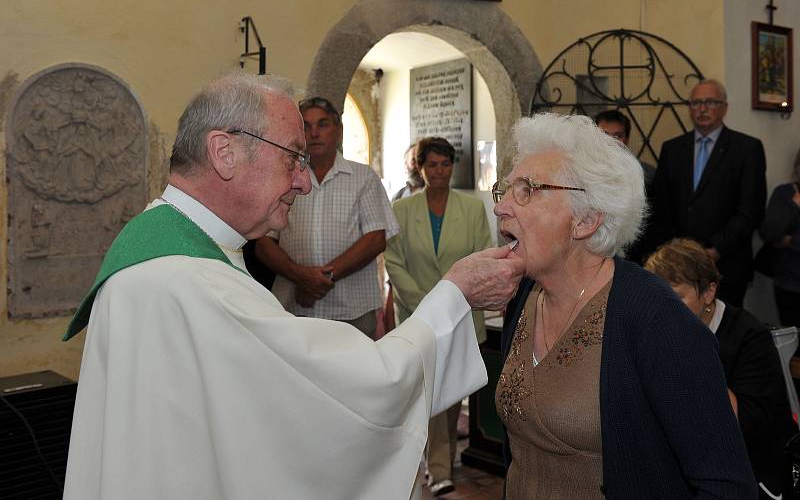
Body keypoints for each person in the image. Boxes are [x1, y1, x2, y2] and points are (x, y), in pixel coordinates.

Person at [61, 72, 525, 500]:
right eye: (292, 158)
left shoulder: (163, 241)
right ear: (224, 152)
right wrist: (454, 294)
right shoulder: (188, 279)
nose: (304, 182)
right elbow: (355, 389)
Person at [493, 112, 756, 499]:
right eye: (506, 190)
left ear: (585, 221)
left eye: (528, 190)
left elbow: (727, 487)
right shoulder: (523, 298)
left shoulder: (658, 321)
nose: (502, 208)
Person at [644, 238, 795, 500]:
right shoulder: (653, 333)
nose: (662, 307)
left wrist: (693, 350)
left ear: (708, 292)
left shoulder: (749, 336)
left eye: (675, 297)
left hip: (750, 469)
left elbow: (746, 424)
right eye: (656, 296)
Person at [385, 137, 492, 497]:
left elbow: (482, 258)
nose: (440, 171)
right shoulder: (401, 210)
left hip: (461, 316)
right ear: (421, 168)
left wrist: (449, 304)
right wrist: (428, 304)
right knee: (421, 393)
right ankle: (420, 464)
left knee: (450, 394)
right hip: (417, 316)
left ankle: (441, 468)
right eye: (432, 164)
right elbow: (394, 262)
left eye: (445, 164)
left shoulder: (473, 209)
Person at [256, 96, 398, 339]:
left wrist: (321, 279)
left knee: (355, 376)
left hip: (352, 309)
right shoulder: (283, 176)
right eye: (306, 126)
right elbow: (263, 242)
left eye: (322, 124)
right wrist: (300, 276)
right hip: (293, 308)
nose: (314, 133)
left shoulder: (363, 178)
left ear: (339, 131)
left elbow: (375, 239)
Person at [651, 79, 767, 306]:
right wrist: (677, 250)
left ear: (724, 107)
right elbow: (661, 206)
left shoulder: (747, 148)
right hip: (678, 265)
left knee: (724, 333)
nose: (702, 109)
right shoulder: (672, 149)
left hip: (726, 265)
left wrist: (714, 250)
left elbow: (750, 210)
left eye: (710, 102)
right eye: (696, 103)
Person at [594, 109, 656, 264]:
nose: (611, 141)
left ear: (626, 139)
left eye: (618, 136)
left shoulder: (647, 175)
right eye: (604, 135)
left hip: (637, 260)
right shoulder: (580, 173)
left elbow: (653, 225)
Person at [759, 146, 800, 327]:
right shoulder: (785, 193)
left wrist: (790, 240)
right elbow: (769, 232)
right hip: (789, 285)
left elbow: (781, 238)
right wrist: (795, 204)